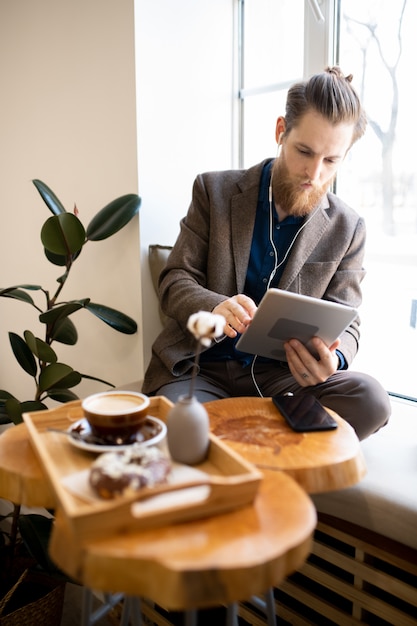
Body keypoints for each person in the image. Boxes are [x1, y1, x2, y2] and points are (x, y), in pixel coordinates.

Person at [142, 66, 391, 441]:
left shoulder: (348, 227)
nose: (314, 173)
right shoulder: (214, 191)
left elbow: (348, 321)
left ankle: (248, 433)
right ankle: (269, 435)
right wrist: (213, 306)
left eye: (331, 161)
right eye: (304, 151)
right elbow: (175, 278)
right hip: (202, 368)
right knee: (183, 426)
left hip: (284, 379)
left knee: (371, 401)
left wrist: (332, 361)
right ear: (280, 131)